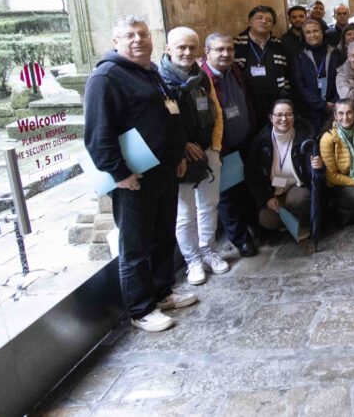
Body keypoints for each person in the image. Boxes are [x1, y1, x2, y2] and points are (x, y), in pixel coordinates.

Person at [85, 16, 193, 332]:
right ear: (115, 41)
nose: (138, 40)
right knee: (135, 246)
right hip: (134, 179)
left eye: (143, 34)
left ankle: (162, 293)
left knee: (162, 236)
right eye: (129, 35)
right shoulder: (106, 77)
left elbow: (169, 115)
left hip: (163, 172)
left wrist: (177, 156)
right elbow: (97, 134)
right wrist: (120, 174)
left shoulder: (151, 73)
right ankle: (141, 309)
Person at [159, 27, 230, 286]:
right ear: (168, 49)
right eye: (181, 47)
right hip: (178, 157)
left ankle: (208, 249)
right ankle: (192, 260)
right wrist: (183, 146)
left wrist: (215, 146)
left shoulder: (202, 77)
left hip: (208, 150)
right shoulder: (159, 80)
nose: (187, 52)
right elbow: (161, 122)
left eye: (191, 47)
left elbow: (216, 111)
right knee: (185, 212)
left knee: (209, 205)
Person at [200, 33, 259, 258]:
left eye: (229, 49)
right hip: (223, 148)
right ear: (207, 52)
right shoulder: (203, 78)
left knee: (244, 189)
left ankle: (252, 229)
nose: (225, 54)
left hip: (243, 140)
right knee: (228, 195)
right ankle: (240, 240)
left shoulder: (234, 71)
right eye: (219, 50)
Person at [245, 100, 323, 241]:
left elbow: (312, 170)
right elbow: (251, 173)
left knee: (298, 201)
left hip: (297, 186)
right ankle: (289, 222)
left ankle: (304, 222)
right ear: (271, 117)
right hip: (274, 190)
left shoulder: (305, 134)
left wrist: (316, 165)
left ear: (294, 117)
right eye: (279, 115)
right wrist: (266, 198)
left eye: (288, 115)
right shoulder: (261, 140)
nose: (283, 119)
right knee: (266, 219)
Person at [234, 5, 291, 129]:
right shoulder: (237, 44)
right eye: (259, 18)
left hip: (275, 101)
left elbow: (286, 73)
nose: (264, 21)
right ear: (249, 22)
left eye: (268, 20)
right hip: (248, 101)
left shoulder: (279, 45)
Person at [319, 98, 354, 231]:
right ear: (335, 116)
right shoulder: (328, 138)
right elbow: (331, 177)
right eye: (340, 113)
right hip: (340, 184)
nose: (345, 117)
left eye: (349, 113)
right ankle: (345, 217)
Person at [291, 18, 337, 136]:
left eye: (315, 31)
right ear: (304, 35)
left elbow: (342, 79)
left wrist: (334, 103)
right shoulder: (299, 56)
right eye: (308, 32)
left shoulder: (335, 53)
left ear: (322, 32)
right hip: (309, 111)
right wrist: (321, 105)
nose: (312, 34)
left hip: (334, 109)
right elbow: (300, 86)